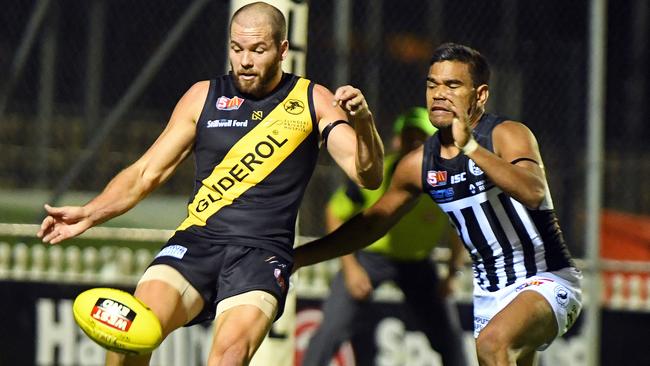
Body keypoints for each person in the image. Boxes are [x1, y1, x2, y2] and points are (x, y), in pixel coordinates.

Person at [37, 2, 384, 366]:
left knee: (228, 356)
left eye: (257, 49)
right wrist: (90, 213)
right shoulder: (203, 96)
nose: (245, 60)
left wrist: (363, 122)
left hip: (260, 255)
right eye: (237, 49)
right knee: (129, 335)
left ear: (283, 50)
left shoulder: (314, 100)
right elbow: (145, 173)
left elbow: (369, 176)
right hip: (196, 243)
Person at [294, 43, 582, 366]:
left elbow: (533, 191)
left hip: (548, 279)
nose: (439, 93)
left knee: (492, 344)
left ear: (480, 95)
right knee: (497, 348)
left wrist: (471, 147)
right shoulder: (419, 165)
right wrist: (300, 257)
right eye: (432, 85)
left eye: (453, 85)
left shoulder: (506, 135)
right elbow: (371, 224)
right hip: (490, 296)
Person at [301, 107, 468, 366]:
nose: (414, 141)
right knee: (331, 329)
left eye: (420, 136)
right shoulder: (377, 173)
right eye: (409, 135)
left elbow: (460, 226)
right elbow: (334, 212)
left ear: (434, 141)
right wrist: (351, 268)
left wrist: (452, 273)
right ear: (398, 139)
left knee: (449, 336)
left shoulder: (446, 180)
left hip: (417, 264)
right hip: (368, 258)